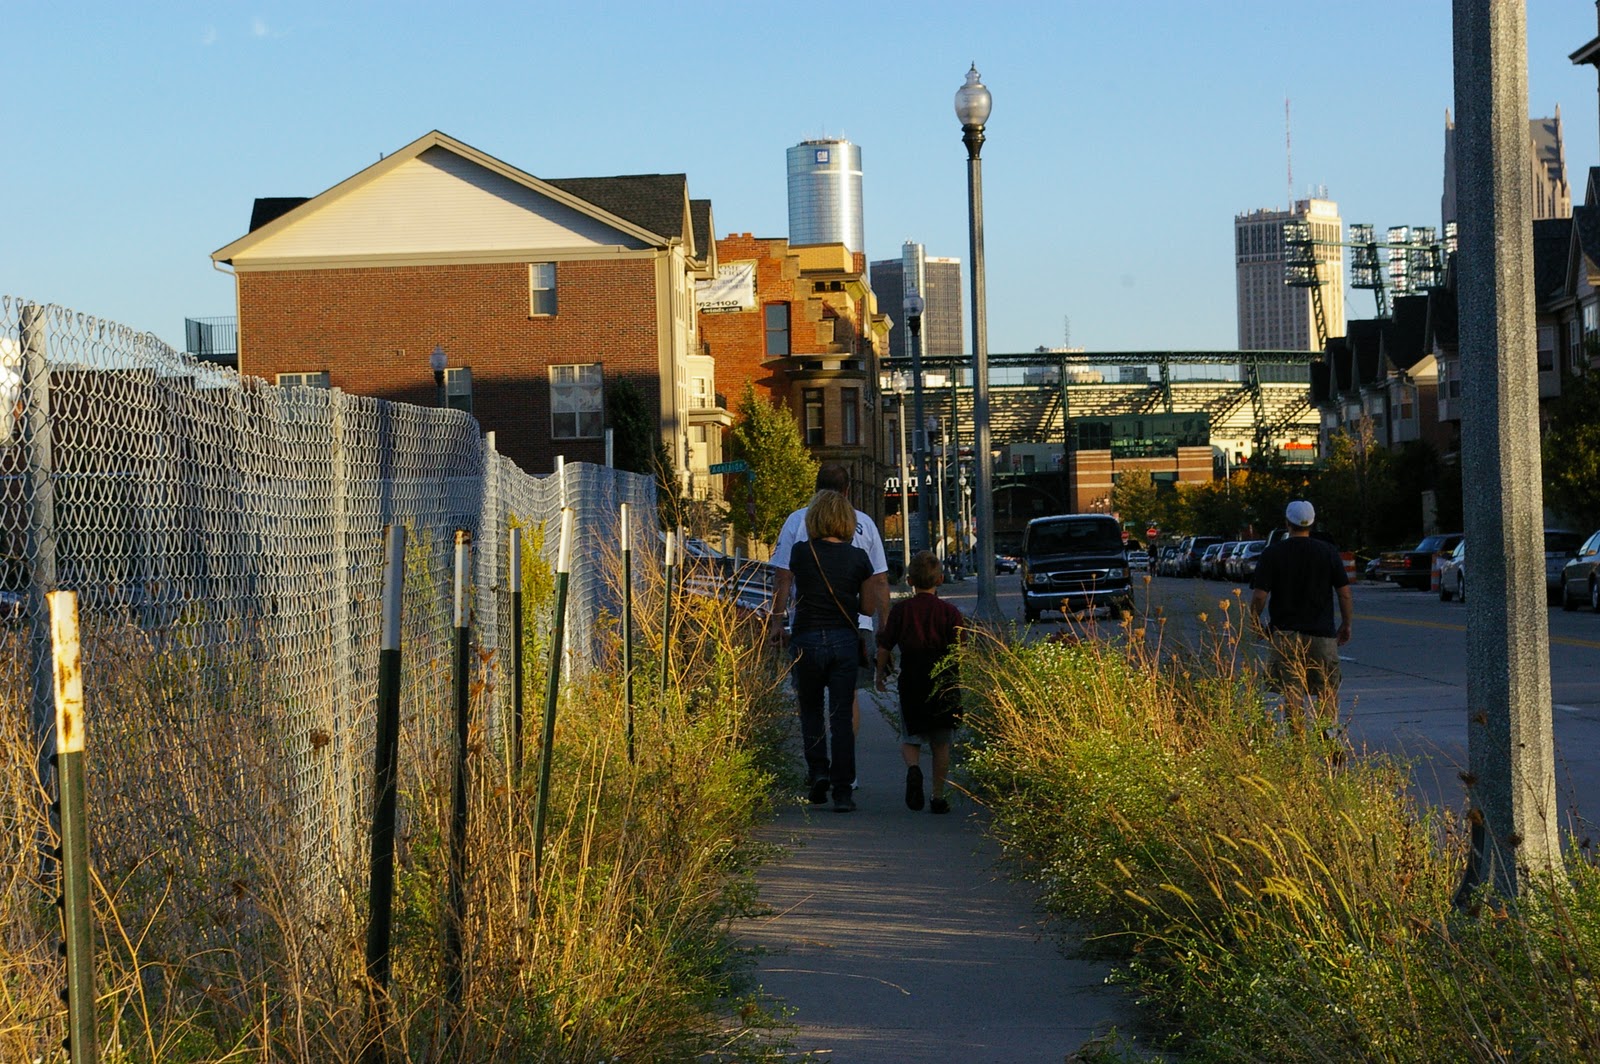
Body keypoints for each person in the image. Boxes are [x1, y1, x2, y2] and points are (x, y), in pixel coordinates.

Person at [768, 463, 890, 743]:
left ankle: (817, 767)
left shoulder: (797, 521)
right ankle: (846, 769)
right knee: (847, 699)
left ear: (815, 489)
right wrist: (884, 625)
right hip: (854, 626)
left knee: (809, 700)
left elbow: (783, 577)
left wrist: (777, 621)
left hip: (807, 624)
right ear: (847, 491)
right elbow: (880, 581)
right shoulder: (865, 523)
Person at [781, 490, 876, 811]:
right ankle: (843, 791)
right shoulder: (859, 559)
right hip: (844, 642)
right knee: (840, 716)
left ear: (813, 519)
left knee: (810, 711)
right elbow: (868, 606)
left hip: (806, 639)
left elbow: (790, 587)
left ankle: (818, 771)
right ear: (848, 521)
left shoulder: (800, 553)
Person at [1249, 499, 1353, 734]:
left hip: (1285, 634)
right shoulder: (1327, 552)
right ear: (1312, 523)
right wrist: (1346, 624)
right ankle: (1328, 736)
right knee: (1327, 688)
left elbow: (1259, 597)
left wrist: (1255, 623)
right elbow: (1345, 594)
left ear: (1287, 523)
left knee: (1292, 690)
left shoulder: (1272, 553)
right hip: (1322, 634)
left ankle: (1298, 744)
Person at [876, 550, 965, 814]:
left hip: (912, 679)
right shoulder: (950, 612)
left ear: (910, 580)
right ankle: (938, 796)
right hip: (944, 681)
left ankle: (914, 770)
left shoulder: (901, 611)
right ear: (939, 580)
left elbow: (885, 645)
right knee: (941, 742)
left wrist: (879, 674)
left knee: (910, 735)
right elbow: (960, 650)